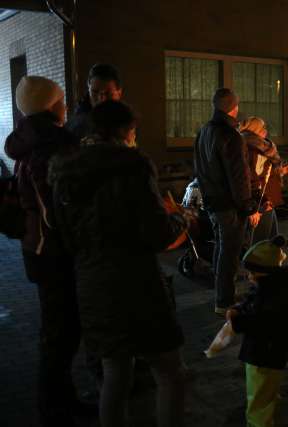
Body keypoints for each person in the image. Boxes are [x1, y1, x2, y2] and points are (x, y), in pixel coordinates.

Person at [49, 100, 188, 427]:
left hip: (92, 284)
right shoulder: (132, 166)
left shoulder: (64, 172)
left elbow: (65, 237)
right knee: (170, 372)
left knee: (114, 373)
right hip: (136, 283)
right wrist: (181, 219)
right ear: (126, 131)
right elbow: (157, 233)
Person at [4, 76, 84, 426]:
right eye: (62, 100)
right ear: (51, 105)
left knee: (57, 330)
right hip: (53, 252)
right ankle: (55, 408)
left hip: (36, 248)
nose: (66, 106)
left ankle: (60, 401)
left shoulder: (27, 139)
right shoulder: (52, 144)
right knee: (60, 333)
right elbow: (55, 207)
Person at [194, 88, 260, 315]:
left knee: (221, 247)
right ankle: (224, 301)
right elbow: (239, 176)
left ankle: (220, 293)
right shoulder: (231, 136)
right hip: (229, 205)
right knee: (229, 252)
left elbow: (200, 170)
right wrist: (248, 205)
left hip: (212, 201)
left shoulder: (204, 132)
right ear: (234, 107)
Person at [227, 235, 288, 427]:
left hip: (263, 353)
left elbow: (258, 323)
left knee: (258, 394)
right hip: (271, 352)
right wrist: (240, 308)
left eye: (252, 273)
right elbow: (250, 301)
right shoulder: (273, 286)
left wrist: (237, 319)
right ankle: (270, 400)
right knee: (266, 386)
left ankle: (258, 422)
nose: (249, 277)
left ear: (264, 273)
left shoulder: (270, 298)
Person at [240, 116, 288, 245]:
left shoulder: (261, 147)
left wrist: (279, 171)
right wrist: (255, 207)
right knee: (261, 243)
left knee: (272, 238)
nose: (265, 130)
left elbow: (263, 172)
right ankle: (259, 264)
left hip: (266, 199)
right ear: (254, 129)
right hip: (260, 201)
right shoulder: (253, 149)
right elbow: (251, 178)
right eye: (262, 127)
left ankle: (272, 262)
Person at [66, 63, 123, 141]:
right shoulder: (77, 126)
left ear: (119, 93)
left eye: (107, 93)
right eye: (95, 92)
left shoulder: (126, 121)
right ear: (89, 89)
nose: (101, 99)